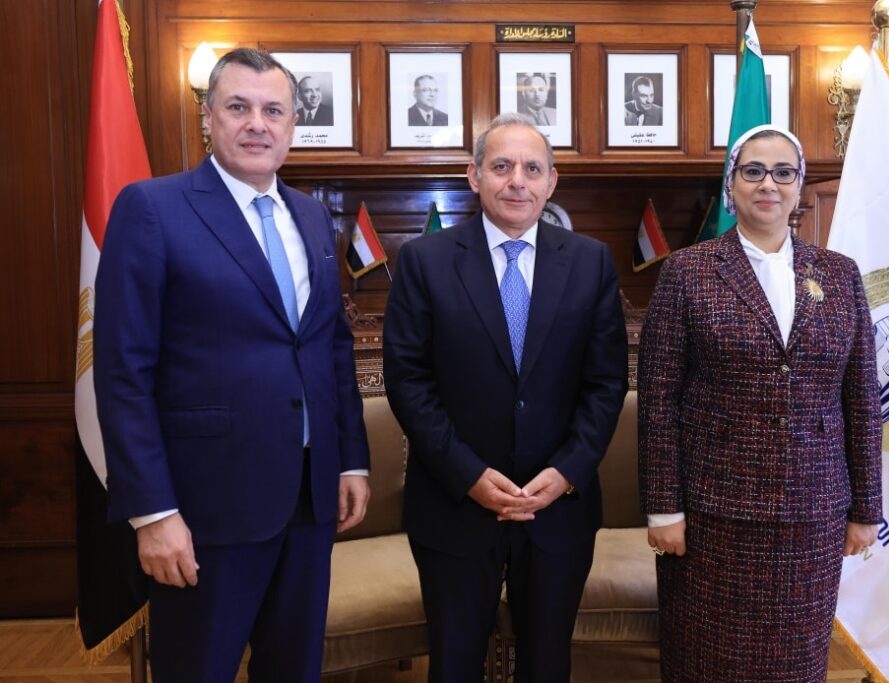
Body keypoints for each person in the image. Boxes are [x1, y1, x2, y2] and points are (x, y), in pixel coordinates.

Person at [93, 48, 371, 682]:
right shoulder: (152, 209)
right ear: (207, 118)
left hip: (308, 501)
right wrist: (154, 513)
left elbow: (330, 346)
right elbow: (123, 374)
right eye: (238, 107)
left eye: (273, 111)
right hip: (205, 510)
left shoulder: (310, 214)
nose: (257, 124)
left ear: (293, 124)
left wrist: (350, 458)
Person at [383, 112, 628, 682]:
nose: (517, 180)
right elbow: (408, 381)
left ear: (551, 181)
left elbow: (606, 383)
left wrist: (566, 473)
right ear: (474, 176)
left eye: (532, 168)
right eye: (501, 166)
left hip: (557, 508)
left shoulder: (591, 261)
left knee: (547, 664)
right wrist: (468, 474)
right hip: (454, 506)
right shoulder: (425, 260)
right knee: (454, 664)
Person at [638, 124, 882, 682]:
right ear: (731, 185)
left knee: (795, 662)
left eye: (783, 172)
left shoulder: (840, 274)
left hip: (813, 513)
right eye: (752, 171)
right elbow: (658, 402)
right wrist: (663, 509)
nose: (768, 184)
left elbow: (861, 399)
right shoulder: (687, 272)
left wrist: (866, 507)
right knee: (706, 661)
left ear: (798, 188)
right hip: (712, 516)